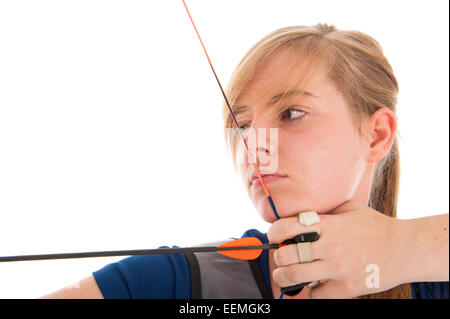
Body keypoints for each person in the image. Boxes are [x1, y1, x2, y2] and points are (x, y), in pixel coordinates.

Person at [42, 24, 449, 299]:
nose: (254, 147)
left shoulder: (432, 278)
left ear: (376, 135)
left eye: (291, 114)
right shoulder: (177, 280)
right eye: (242, 126)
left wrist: (405, 245)